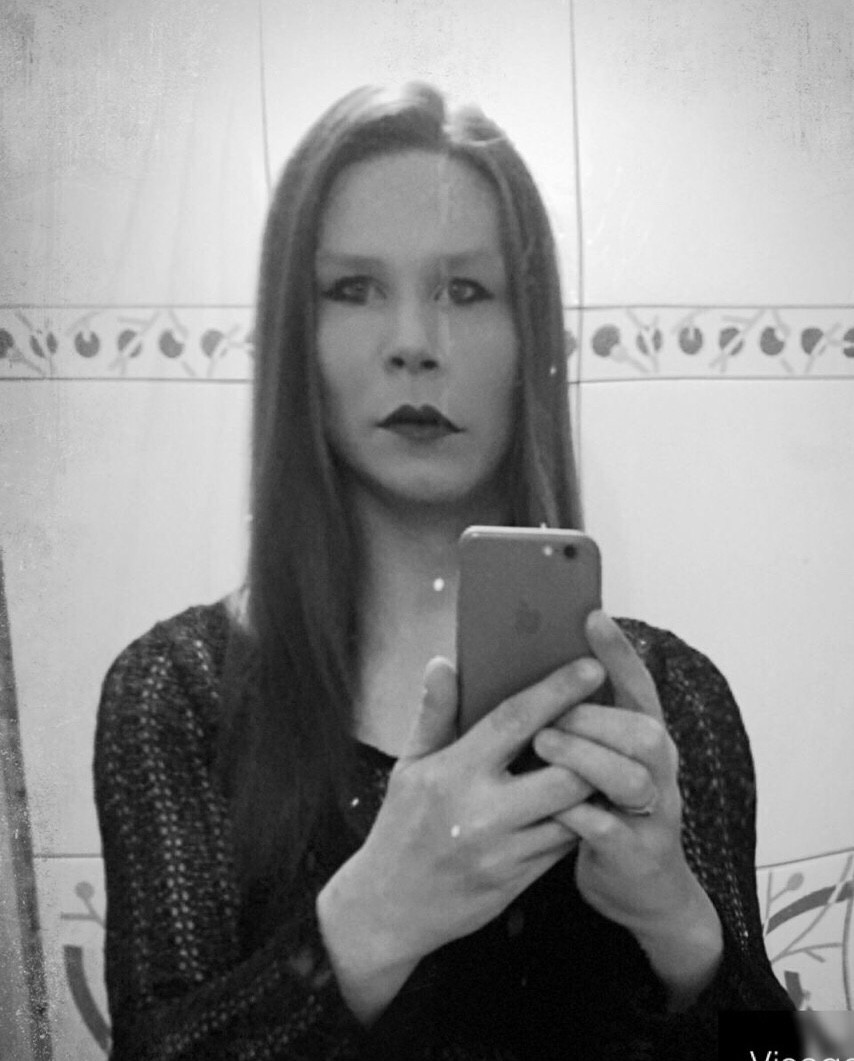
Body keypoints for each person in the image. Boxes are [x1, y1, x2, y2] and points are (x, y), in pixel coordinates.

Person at [93, 82, 794, 1061]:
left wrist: (678, 921)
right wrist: (364, 924)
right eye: (353, 289)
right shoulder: (179, 693)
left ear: (527, 339)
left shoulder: (673, 697)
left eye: (465, 291)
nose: (414, 345)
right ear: (299, 337)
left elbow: (770, 1055)